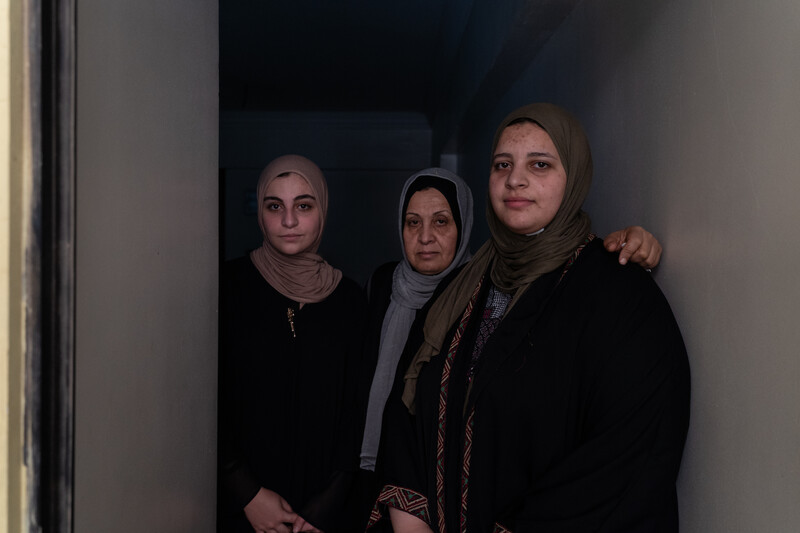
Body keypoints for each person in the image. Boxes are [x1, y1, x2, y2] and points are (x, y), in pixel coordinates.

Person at [372, 103, 690, 532]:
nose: (515, 179)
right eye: (502, 164)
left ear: (574, 174)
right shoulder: (459, 289)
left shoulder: (619, 295)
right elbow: (406, 413)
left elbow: (629, 452)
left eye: (539, 164)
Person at [218, 155, 366, 533]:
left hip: (324, 515)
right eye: (274, 206)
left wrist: (328, 503)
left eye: (303, 205)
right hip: (241, 509)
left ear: (323, 209)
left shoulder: (349, 299)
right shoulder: (227, 286)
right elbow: (202, 398)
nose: (288, 221)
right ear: (260, 212)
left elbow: (357, 409)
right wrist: (246, 494)